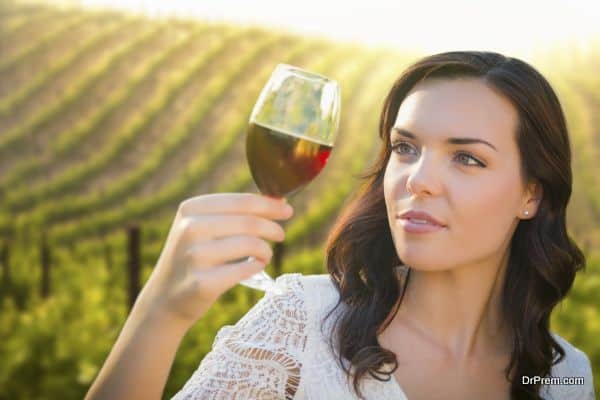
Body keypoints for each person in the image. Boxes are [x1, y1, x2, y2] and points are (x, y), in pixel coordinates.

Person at [84, 51, 595, 400]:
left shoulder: (562, 377)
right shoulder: (301, 324)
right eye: (405, 148)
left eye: (467, 159)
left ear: (532, 194)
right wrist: (161, 313)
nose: (418, 180)